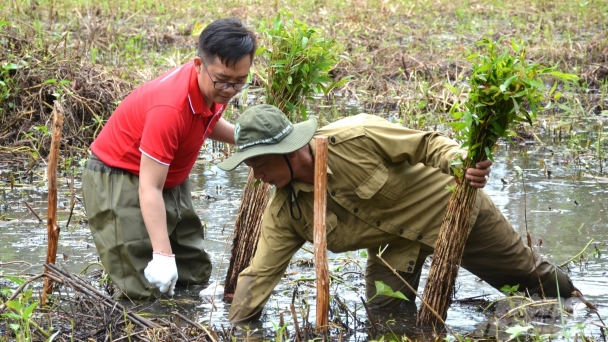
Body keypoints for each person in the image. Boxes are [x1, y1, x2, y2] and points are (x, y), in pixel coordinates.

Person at [217, 104, 576, 322]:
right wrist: (235, 326)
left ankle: (577, 300)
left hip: (450, 211)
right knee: (385, 318)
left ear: (289, 150)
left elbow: (427, 144)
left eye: (257, 163)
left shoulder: (356, 136)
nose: (256, 175)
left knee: (537, 282)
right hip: (395, 249)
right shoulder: (285, 211)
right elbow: (259, 273)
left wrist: (460, 164)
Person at [81, 18, 257, 299]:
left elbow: (206, 123)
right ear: (199, 65)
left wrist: (247, 137)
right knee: (143, 281)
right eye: (223, 81)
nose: (230, 90)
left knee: (192, 267)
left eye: (240, 82)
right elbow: (148, 186)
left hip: (169, 175)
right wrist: (162, 255)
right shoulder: (170, 108)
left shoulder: (214, 88)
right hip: (121, 176)